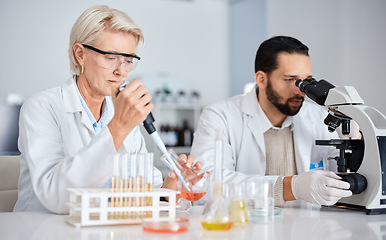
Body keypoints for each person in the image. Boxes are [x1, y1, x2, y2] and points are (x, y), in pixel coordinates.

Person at [14, 5, 198, 214]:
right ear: (80, 54)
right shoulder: (41, 107)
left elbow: (146, 191)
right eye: (111, 57)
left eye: (128, 60)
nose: (121, 71)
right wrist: (118, 127)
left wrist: (170, 189)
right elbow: (56, 197)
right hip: (44, 231)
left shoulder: (120, 114)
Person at [191, 36, 359, 206]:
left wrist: (358, 144)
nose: (301, 91)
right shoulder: (220, 116)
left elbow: (343, 179)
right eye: (290, 80)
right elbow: (205, 184)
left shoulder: (319, 117)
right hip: (248, 228)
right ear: (261, 79)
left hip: (309, 228)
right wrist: (289, 187)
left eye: (306, 81)